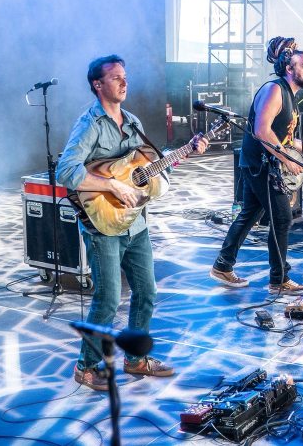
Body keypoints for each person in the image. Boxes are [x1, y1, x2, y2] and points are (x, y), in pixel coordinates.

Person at [56, 55, 209, 391]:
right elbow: (65, 171)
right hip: (102, 224)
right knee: (108, 299)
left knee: (147, 291)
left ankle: (135, 359)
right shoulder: (89, 125)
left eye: (125, 76)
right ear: (98, 84)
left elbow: (146, 166)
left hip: (135, 222)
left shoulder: (133, 122)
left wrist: (185, 150)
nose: (124, 83)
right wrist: (112, 185)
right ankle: (85, 367)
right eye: (116, 78)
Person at [210, 47, 303, 293]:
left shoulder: (291, 97)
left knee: (250, 214)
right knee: (282, 218)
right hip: (260, 164)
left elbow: (287, 140)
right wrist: (286, 159)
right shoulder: (275, 89)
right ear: (289, 69)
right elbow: (262, 130)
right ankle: (279, 279)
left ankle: (223, 265)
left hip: (263, 164)